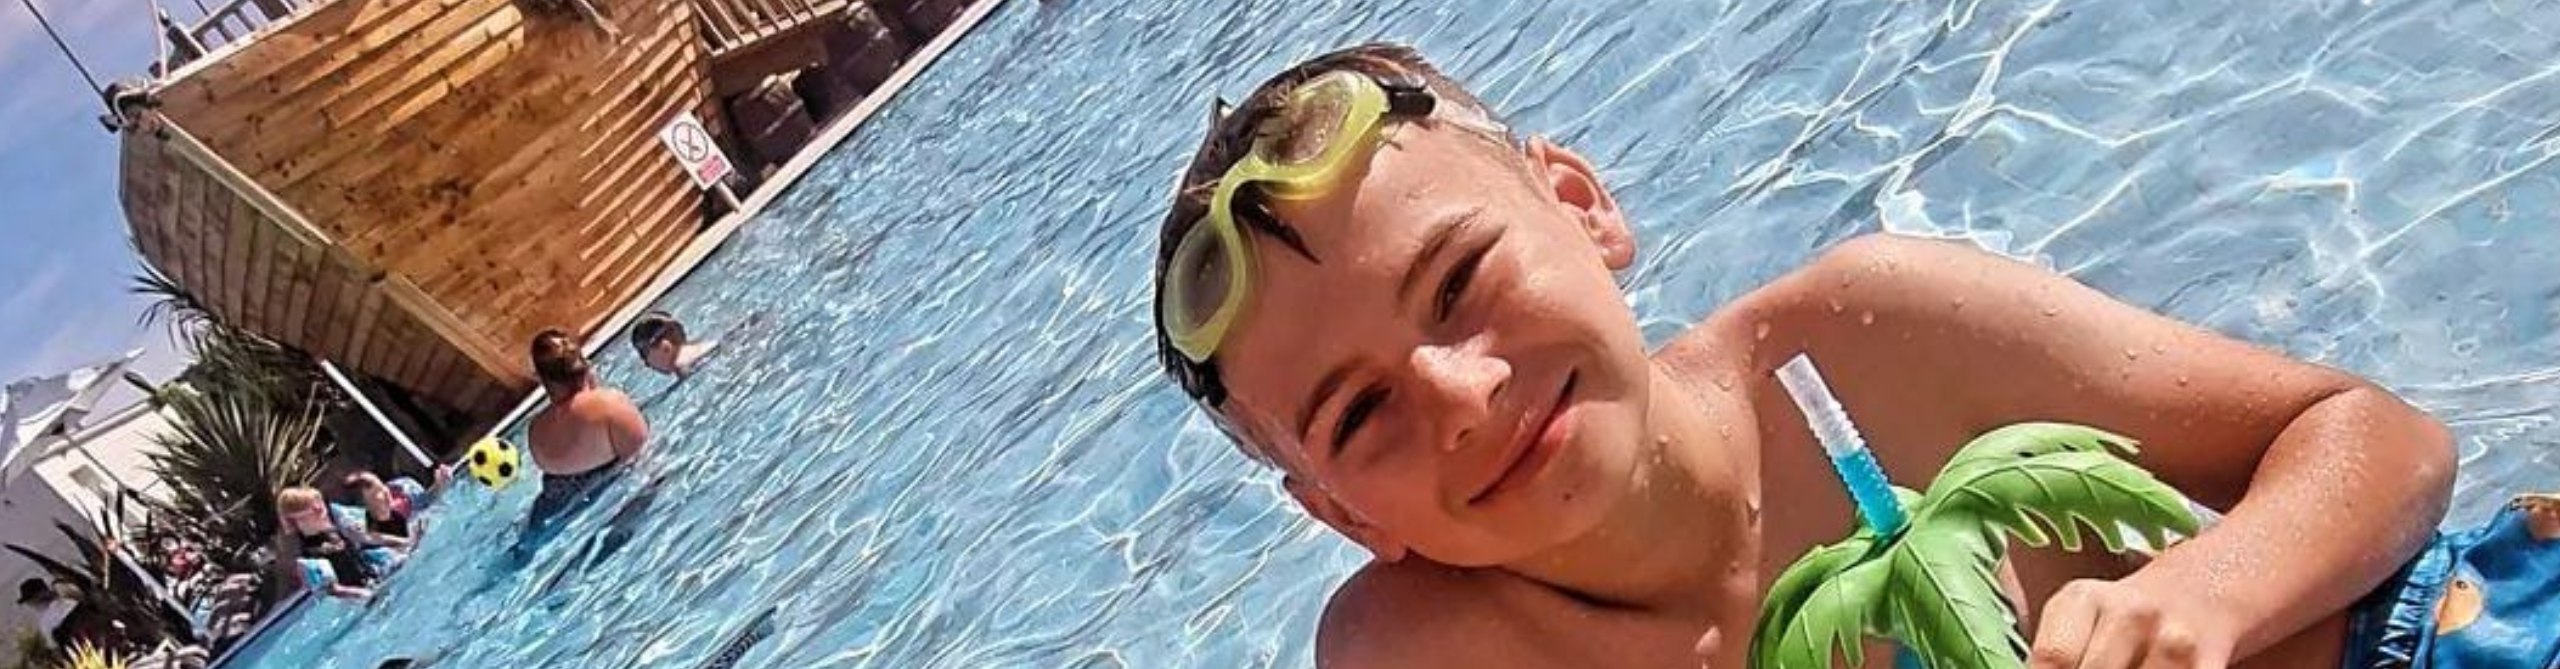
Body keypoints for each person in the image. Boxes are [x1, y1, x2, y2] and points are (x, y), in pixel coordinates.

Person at [1144, 43, 2552, 668]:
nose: (1460, 395)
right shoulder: (1432, 653)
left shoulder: (1868, 346)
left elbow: (2375, 435)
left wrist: (2209, 589)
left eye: (1460, 280)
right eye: (1358, 414)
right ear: (1336, 513)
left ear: (1581, 205)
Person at [525, 329, 650, 535]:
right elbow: (644, 462)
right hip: (606, 500)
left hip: (547, 516)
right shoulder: (610, 404)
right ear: (584, 364)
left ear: (540, 378)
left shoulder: (535, 430)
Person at [272, 487, 386, 601]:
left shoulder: (334, 533)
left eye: (321, 504)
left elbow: (364, 556)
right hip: (361, 599)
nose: (322, 509)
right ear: (294, 519)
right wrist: (364, 594)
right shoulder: (308, 558)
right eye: (315, 509)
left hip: (374, 582)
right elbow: (333, 589)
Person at [342, 472, 420, 551]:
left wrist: (390, 504)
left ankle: (404, 541)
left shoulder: (373, 485)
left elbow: (385, 491)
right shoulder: (360, 518)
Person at [628, 311, 719, 379]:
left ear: (665, 346)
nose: (646, 364)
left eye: (644, 353)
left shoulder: (683, 366)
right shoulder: (710, 345)